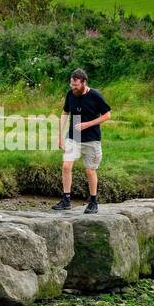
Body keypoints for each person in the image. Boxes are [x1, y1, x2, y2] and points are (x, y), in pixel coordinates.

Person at [54, 68, 111, 213]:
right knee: (66, 166)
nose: (73, 88)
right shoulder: (70, 94)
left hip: (91, 138)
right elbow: (65, 112)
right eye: (71, 85)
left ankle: (93, 202)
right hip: (74, 137)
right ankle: (66, 200)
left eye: (76, 86)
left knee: (90, 170)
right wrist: (60, 135)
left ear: (84, 83)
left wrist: (88, 124)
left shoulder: (95, 95)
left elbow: (107, 115)